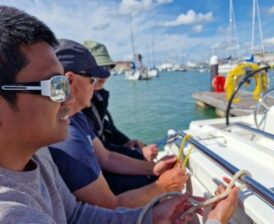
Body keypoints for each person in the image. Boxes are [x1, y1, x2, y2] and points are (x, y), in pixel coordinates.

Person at [0, 5, 238, 224]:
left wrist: (153, 216)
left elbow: (75, 215)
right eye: (55, 86)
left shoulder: (39, 155)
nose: (69, 98)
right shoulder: (11, 213)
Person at [49, 39, 188, 209]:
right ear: (70, 81)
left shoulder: (76, 116)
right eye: (92, 80)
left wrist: (153, 169)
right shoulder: (69, 137)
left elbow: (107, 157)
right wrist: (162, 187)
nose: (96, 86)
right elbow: (109, 206)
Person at [82, 41, 158, 194]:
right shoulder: (78, 109)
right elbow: (102, 154)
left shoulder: (98, 97)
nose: (104, 75)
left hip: (104, 155)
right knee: (146, 180)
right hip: (94, 167)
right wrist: (139, 156)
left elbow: (107, 128)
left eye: (107, 68)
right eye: (98, 69)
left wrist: (126, 142)